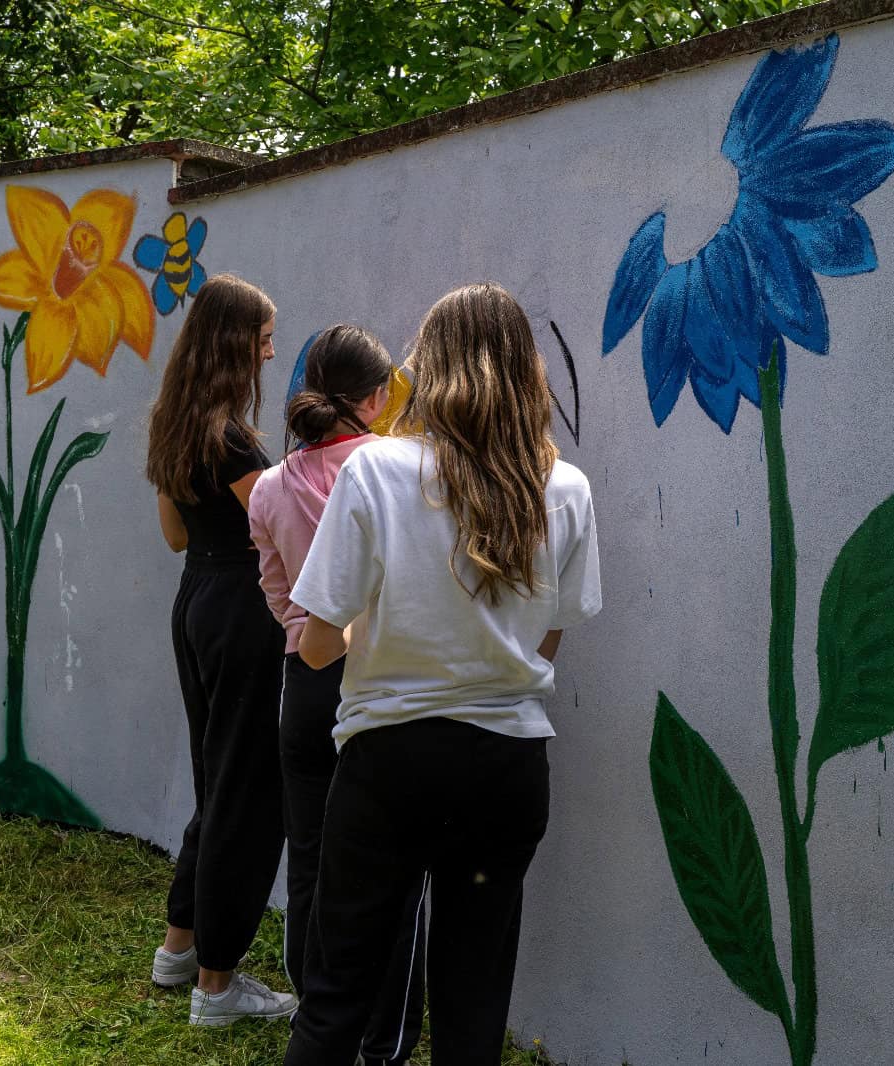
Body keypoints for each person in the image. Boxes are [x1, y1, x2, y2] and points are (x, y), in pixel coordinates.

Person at [283, 284, 602, 1065]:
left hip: (391, 764)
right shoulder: (566, 487)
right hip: (508, 767)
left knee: (336, 999)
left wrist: (385, 632)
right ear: (526, 372)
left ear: (428, 367)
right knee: (474, 1005)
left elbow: (316, 645)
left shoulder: (378, 471)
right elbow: (550, 637)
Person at [248, 324, 427, 1066]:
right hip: (380, 685)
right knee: (393, 866)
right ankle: (382, 1039)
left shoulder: (267, 485)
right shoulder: (399, 469)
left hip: (305, 684)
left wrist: (304, 630)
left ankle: (316, 1018)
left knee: (314, 856)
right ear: (380, 397)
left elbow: (275, 592)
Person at [144, 273, 297, 1027]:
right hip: (242, 609)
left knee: (217, 780)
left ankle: (179, 949)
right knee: (248, 792)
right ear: (236, 343)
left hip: (195, 601)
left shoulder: (174, 422)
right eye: (264, 339)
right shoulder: (231, 439)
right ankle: (218, 985)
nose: (271, 353)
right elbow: (279, 525)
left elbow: (175, 535)